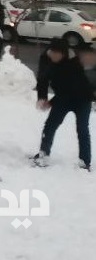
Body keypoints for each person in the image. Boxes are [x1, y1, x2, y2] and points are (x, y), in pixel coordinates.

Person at [31, 38, 94, 170]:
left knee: (82, 129)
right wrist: (42, 98)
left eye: (58, 54)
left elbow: (71, 87)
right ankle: (43, 154)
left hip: (82, 98)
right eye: (53, 52)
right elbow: (42, 79)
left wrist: (51, 102)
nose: (54, 56)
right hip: (62, 98)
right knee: (50, 126)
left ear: (64, 53)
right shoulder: (46, 58)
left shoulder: (74, 62)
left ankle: (85, 162)